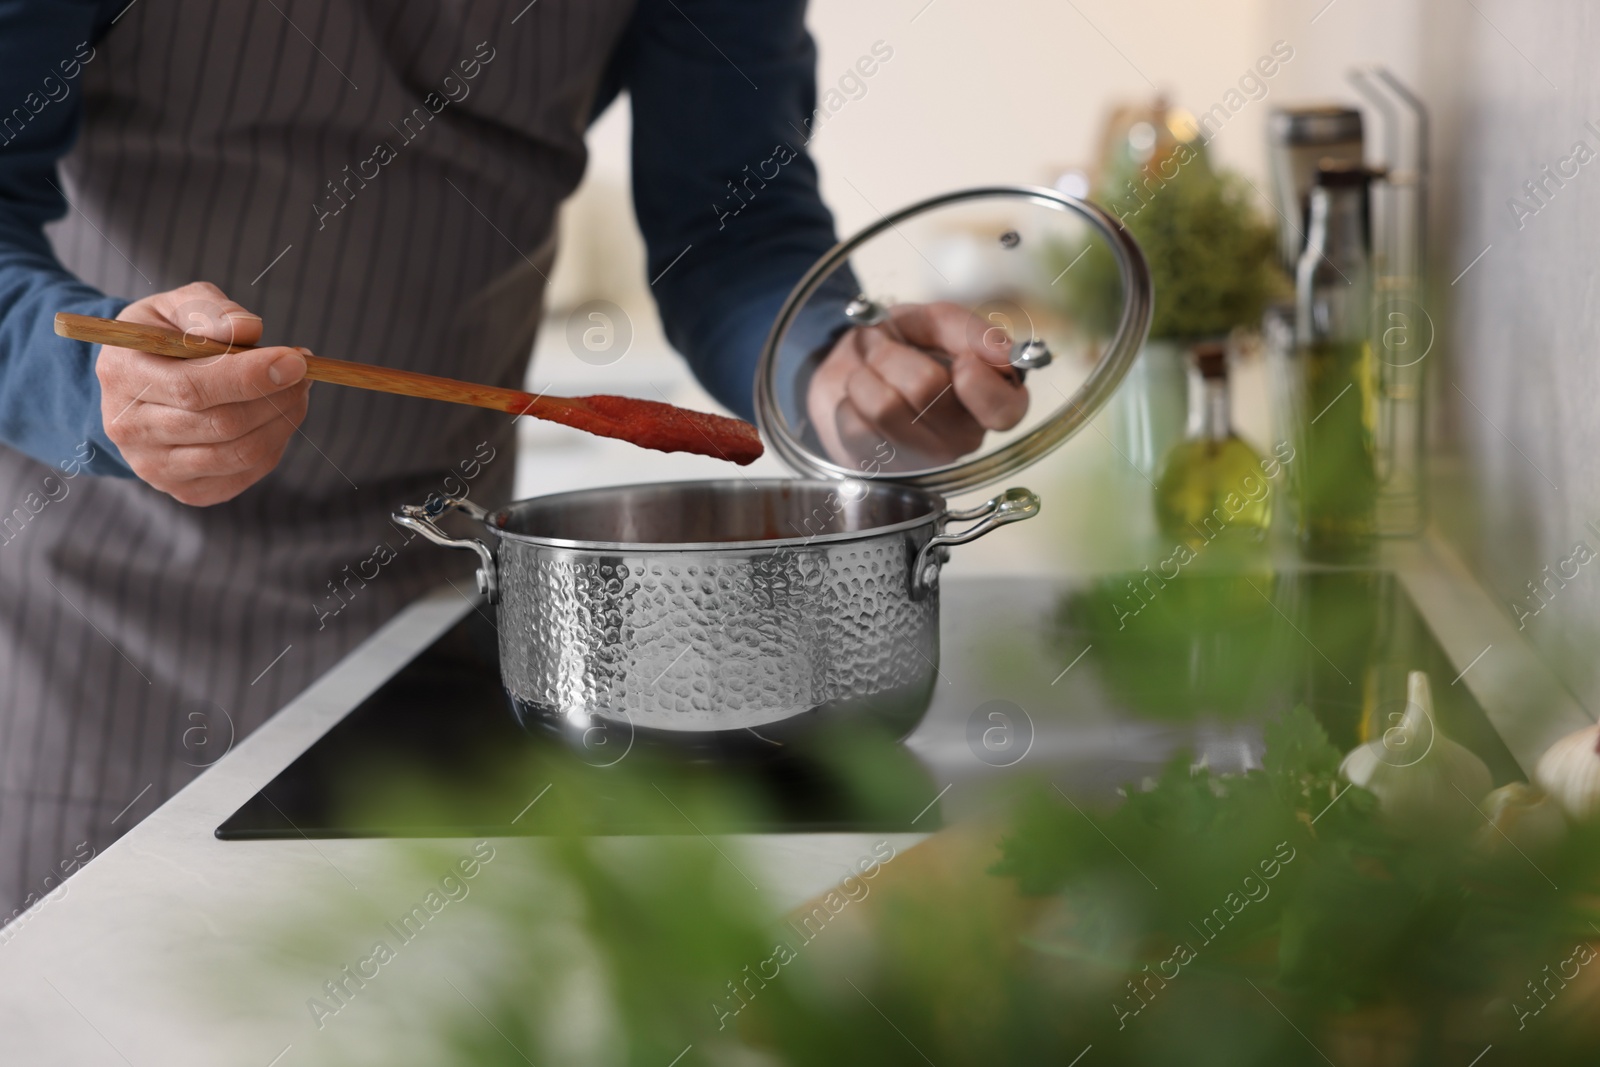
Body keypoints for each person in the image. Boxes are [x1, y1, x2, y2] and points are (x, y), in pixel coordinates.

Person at [0, 0, 1025, 917]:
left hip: (436, 613)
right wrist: (101, 385)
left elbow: (732, 224)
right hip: (89, 630)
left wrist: (833, 366)